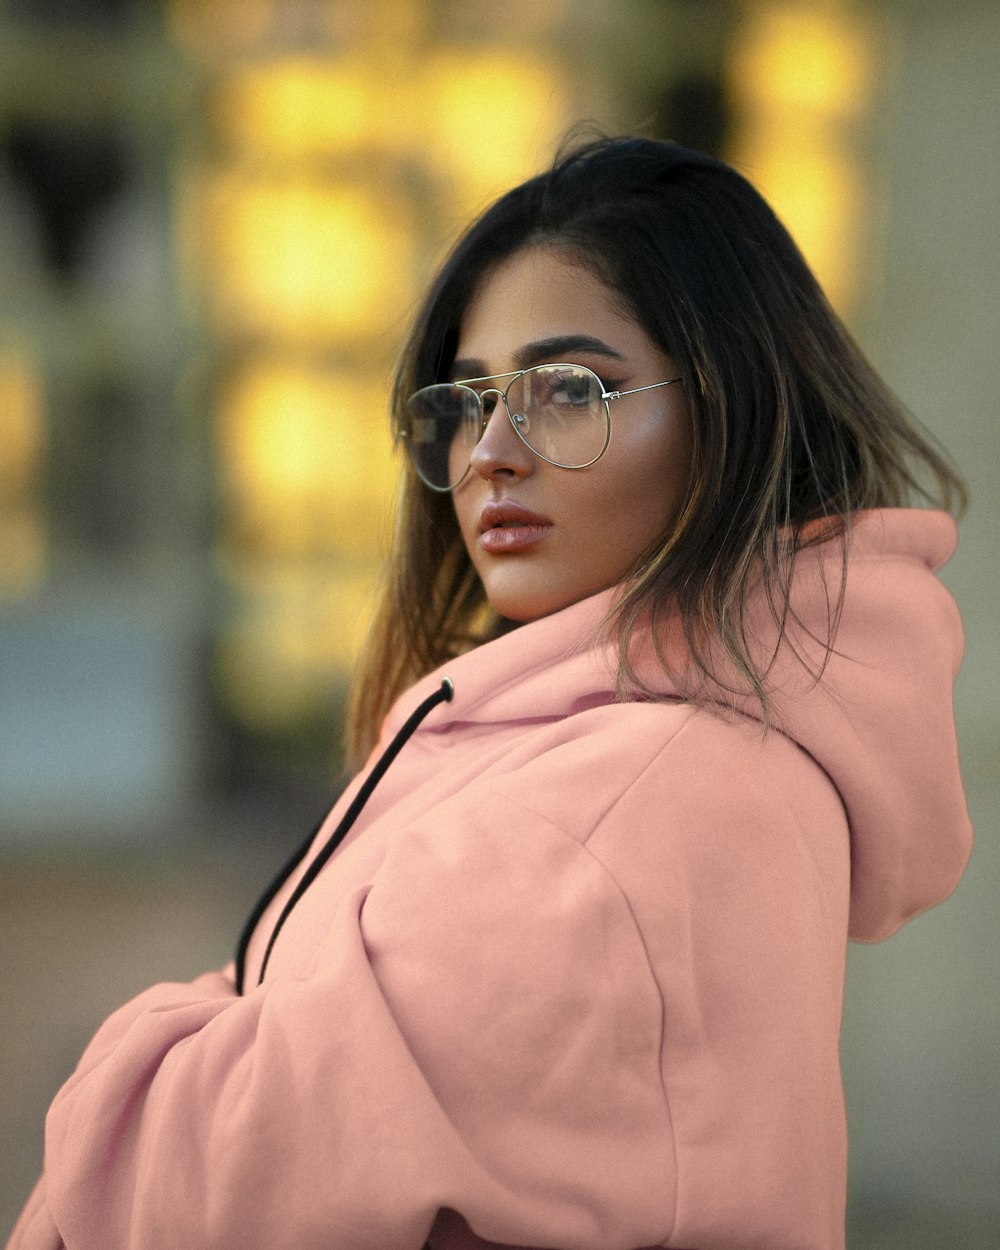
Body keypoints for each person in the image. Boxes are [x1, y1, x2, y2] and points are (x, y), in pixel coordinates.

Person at [7, 136, 972, 1250]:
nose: (492, 452)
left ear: (731, 407)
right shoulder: (601, 741)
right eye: (466, 402)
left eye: (570, 389)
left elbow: (174, 1181)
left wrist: (152, 1046)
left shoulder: (625, 804)